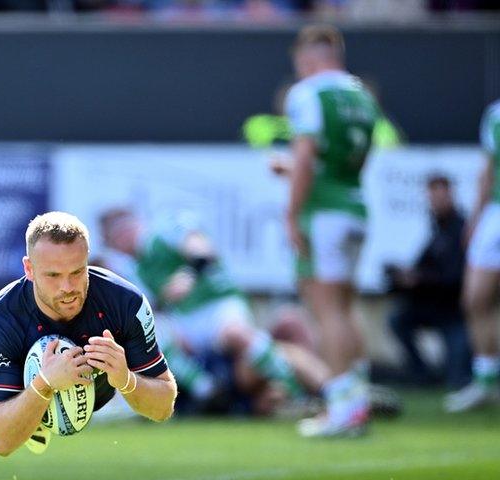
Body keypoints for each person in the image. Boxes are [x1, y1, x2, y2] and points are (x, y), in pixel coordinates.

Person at [0, 212, 178, 455]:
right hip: (19, 379)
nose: (67, 288)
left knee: (24, 407)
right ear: (29, 269)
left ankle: (30, 412)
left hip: (94, 394)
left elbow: (163, 407)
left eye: (77, 272)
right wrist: (44, 385)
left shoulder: (126, 303)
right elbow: (1, 443)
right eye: (53, 275)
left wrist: (126, 380)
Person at [98, 208, 332, 418]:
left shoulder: (163, 231)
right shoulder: (136, 269)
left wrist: (189, 275)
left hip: (216, 305)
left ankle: (294, 390)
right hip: (187, 321)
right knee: (150, 332)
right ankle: (207, 392)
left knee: (235, 334)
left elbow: (202, 250)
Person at [270, 24, 380, 437]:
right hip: (354, 205)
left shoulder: (308, 93)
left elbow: (306, 153)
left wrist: (291, 214)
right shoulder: (362, 95)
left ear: (308, 59)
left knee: (325, 309)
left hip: (323, 213)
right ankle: (357, 399)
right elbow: (352, 160)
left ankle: (342, 405)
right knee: (346, 308)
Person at [386, 174, 470, 388]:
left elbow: (454, 276)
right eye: (433, 196)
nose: (436, 201)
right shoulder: (436, 231)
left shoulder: (462, 230)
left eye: (441, 195)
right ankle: (421, 374)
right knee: (398, 319)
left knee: (458, 380)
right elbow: (424, 265)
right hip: (432, 307)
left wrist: (419, 279)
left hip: (455, 311)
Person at [447, 99, 500, 412]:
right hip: (495, 214)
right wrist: (476, 218)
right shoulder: (494, 114)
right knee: (476, 298)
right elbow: (489, 168)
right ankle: (486, 380)